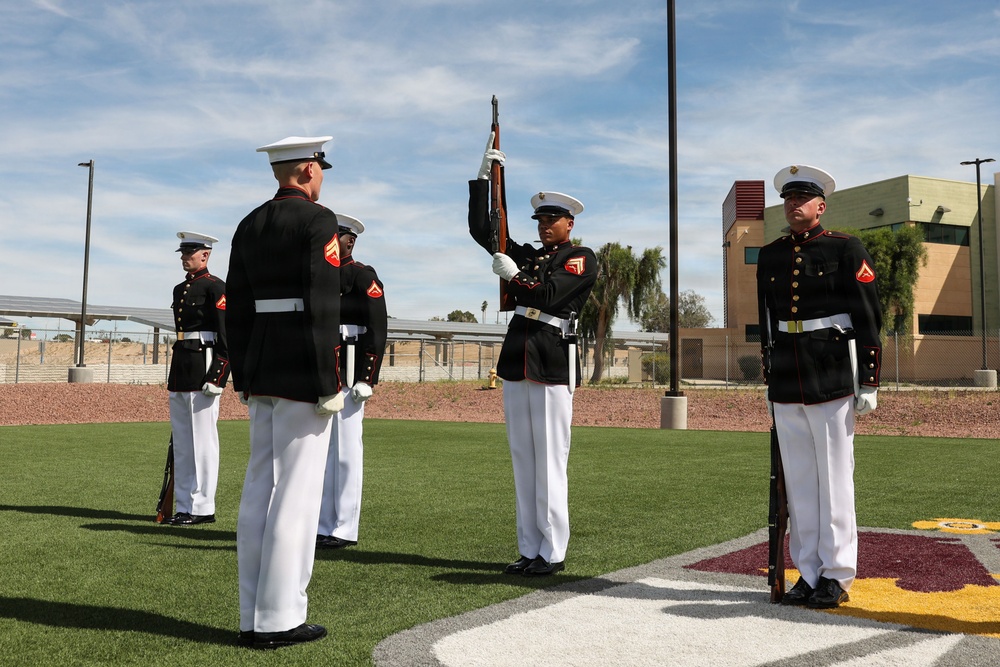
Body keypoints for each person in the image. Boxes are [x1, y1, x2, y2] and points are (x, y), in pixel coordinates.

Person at [226, 135, 344, 650]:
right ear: (306, 170)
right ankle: (279, 617)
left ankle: (253, 613)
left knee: (259, 489)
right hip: (301, 364)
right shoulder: (319, 221)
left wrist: (243, 374)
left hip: (262, 364)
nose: (322, 176)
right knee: (296, 493)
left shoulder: (248, 223)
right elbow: (321, 302)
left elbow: (238, 307)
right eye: (320, 167)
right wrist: (328, 380)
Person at [467, 137, 597, 577]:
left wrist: (515, 276)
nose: (544, 226)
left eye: (552, 219)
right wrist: (483, 179)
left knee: (549, 461)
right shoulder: (534, 255)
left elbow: (548, 294)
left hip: (551, 362)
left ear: (569, 225)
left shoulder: (581, 259)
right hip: (519, 361)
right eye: (540, 219)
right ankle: (529, 548)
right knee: (523, 459)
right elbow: (483, 232)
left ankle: (553, 550)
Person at [757, 164, 883, 609]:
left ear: (820, 205)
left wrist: (868, 378)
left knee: (833, 480)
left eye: (803, 199)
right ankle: (806, 572)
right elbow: (767, 321)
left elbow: (868, 315)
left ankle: (836, 574)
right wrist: (769, 372)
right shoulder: (770, 254)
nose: (794, 205)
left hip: (830, 372)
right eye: (788, 199)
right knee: (800, 482)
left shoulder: (846, 248)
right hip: (788, 376)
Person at [317, 214, 388, 550]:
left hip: (349, 372)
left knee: (345, 452)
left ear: (349, 241)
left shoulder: (362, 275)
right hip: (323, 372)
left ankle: (343, 527)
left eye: (340, 237)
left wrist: (367, 377)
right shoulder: (318, 276)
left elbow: (377, 327)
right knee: (320, 453)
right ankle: (321, 523)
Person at [164, 231, 229, 526]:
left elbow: (226, 336)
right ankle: (183, 506)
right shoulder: (180, 289)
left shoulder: (216, 288)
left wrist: (218, 375)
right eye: (182, 253)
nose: (183, 257)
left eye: (188, 252)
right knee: (183, 442)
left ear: (205, 254)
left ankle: (203, 507)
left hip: (203, 365)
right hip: (181, 365)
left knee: (203, 442)